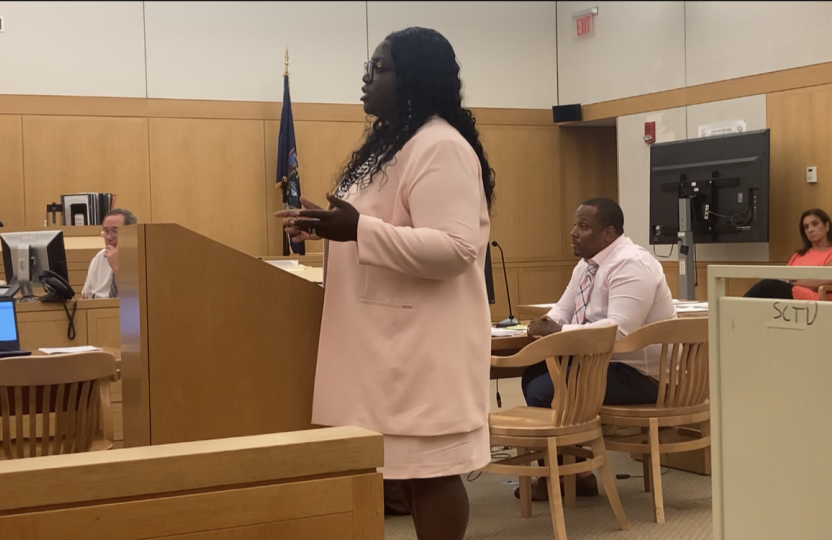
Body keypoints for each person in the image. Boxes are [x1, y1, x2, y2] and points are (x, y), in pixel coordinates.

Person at [276, 27, 494, 540]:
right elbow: (373, 226)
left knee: (432, 472)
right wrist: (330, 225)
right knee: (407, 474)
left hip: (421, 347)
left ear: (415, 77)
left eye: (380, 69)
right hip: (384, 345)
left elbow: (456, 250)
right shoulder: (394, 144)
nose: (366, 79)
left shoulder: (440, 146)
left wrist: (357, 230)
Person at [518, 197, 676, 501]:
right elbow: (562, 309)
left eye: (583, 226)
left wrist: (559, 331)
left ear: (609, 233)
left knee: (543, 389)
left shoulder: (632, 264)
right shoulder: (587, 266)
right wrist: (546, 322)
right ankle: (577, 475)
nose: (573, 232)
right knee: (534, 374)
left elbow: (620, 332)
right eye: (575, 224)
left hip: (642, 376)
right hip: (609, 366)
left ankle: (559, 479)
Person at [744, 208, 832, 300]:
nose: (810, 230)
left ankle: (733, 311)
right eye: (806, 227)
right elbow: (784, 277)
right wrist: (792, 281)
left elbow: (830, 279)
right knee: (764, 297)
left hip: (817, 297)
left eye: (815, 224)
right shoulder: (800, 254)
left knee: (767, 285)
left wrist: (795, 281)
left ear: (827, 226)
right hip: (791, 295)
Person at [82, 208, 137, 299]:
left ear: (132, 232)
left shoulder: (142, 258)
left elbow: (133, 302)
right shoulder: (100, 257)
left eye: (115, 231)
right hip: (98, 310)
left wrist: (116, 267)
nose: (108, 237)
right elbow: (85, 296)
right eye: (106, 231)